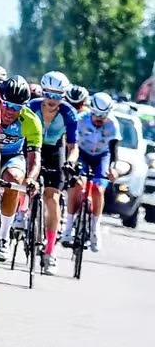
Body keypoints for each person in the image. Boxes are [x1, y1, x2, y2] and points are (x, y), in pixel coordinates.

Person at [28, 71, 78, 273]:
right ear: (42, 91)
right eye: (48, 94)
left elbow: (73, 147)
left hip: (55, 149)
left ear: (63, 97)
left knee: (52, 198)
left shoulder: (68, 113)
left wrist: (70, 163)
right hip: (33, 145)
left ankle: (50, 251)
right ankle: (21, 215)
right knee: (25, 179)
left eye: (58, 96)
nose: (52, 100)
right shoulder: (31, 107)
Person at [61, 93, 121, 252]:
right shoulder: (81, 119)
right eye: (96, 115)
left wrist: (113, 168)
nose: (99, 119)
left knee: (98, 188)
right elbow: (71, 143)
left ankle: (95, 229)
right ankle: (67, 228)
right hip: (83, 154)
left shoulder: (113, 124)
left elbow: (114, 149)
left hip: (102, 155)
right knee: (77, 184)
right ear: (91, 110)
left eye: (104, 116)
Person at [0, 76, 42, 262]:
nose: (9, 111)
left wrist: (30, 178)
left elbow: (34, 157)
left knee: (14, 179)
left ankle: (4, 236)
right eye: (6, 105)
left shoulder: (31, 121)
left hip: (12, 157)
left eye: (17, 108)